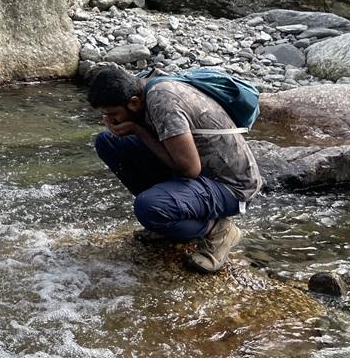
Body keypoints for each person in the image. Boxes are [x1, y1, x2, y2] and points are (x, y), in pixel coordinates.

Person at [88, 67, 263, 273]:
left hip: (231, 186)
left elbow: (190, 169)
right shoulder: (143, 86)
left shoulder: (163, 102)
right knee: (109, 141)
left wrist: (138, 131)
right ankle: (171, 220)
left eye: (112, 114)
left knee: (149, 208)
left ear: (134, 102)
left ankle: (218, 230)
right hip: (202, 174)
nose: (111, 120)